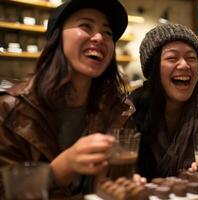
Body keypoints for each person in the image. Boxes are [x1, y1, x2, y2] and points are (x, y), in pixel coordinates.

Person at [0, 0, 136, 197]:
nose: (99, 37)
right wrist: (58, 171)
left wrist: (126, 186)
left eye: (108, 33)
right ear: (57, 37)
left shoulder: (119, 110)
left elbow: (113, 182)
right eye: (86, 26)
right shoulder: (9, 109)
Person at [130, 23, 198, 181]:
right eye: (172, 58)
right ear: (153, 70)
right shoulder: (133, 107)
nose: (184, 65)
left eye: (191, 58)